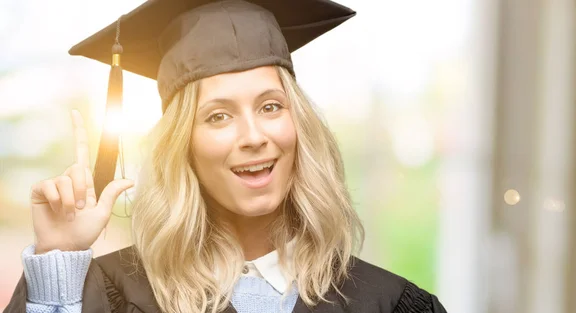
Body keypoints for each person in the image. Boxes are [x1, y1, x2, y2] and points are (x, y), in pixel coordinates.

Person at [5, 0, 448, 313]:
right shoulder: (115, 294)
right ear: (183, 146)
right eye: (218, 116)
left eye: (271, 106)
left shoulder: (388, 304)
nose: (253, 136)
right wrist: (58, 259)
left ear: (300, 126)